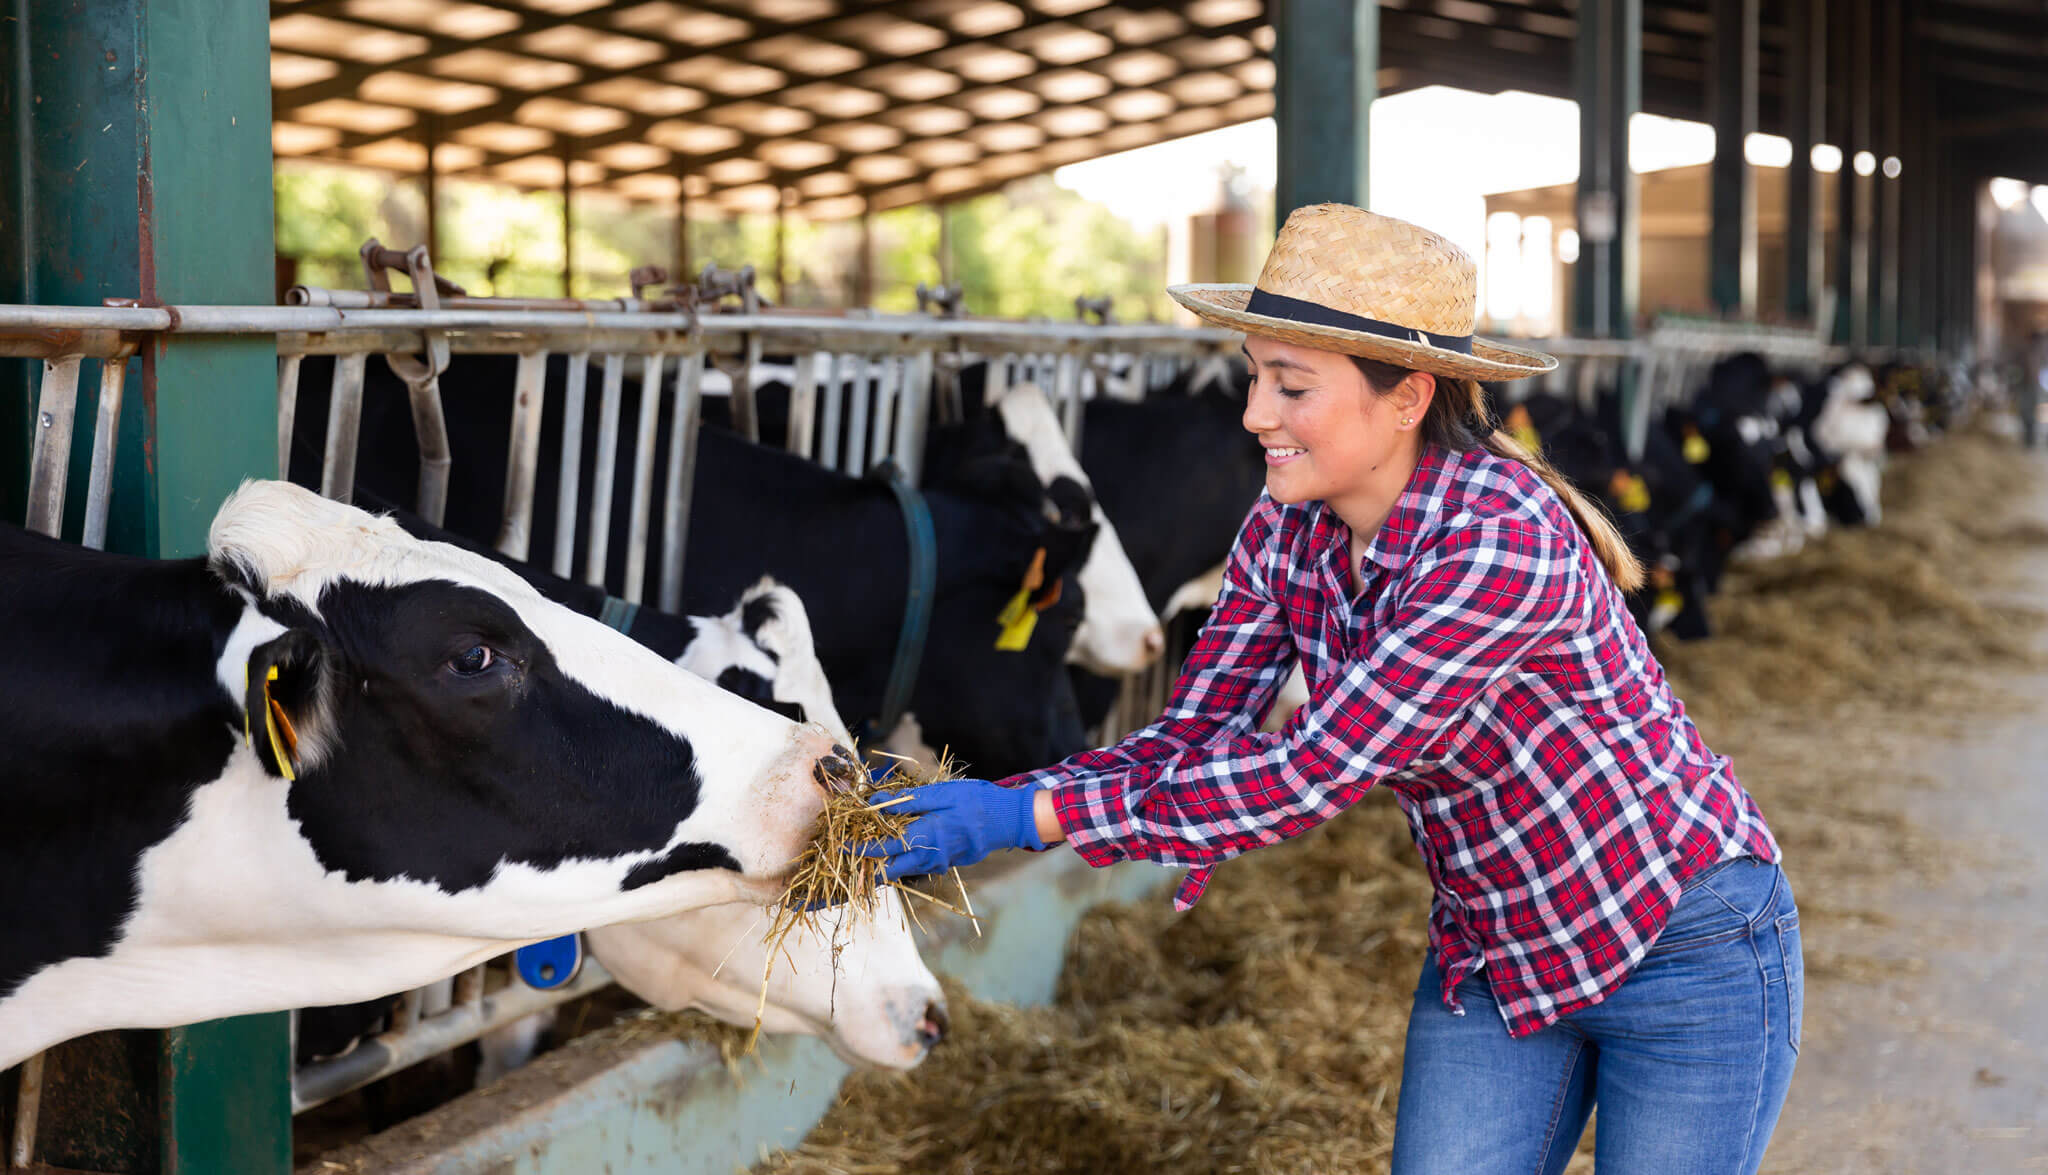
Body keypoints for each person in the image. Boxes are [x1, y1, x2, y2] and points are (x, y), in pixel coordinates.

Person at [859, 205, 1800, 1174]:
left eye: (1290, 384)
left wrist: (1025, 815)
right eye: (1255, 375)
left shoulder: (1498, 538)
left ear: (1405, 399)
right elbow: (1193, 733)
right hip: (1494, 954)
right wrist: (1017, 796)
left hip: (1684, 944)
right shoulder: (1283, 527)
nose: (1253, 413)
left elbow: (1307, 773)